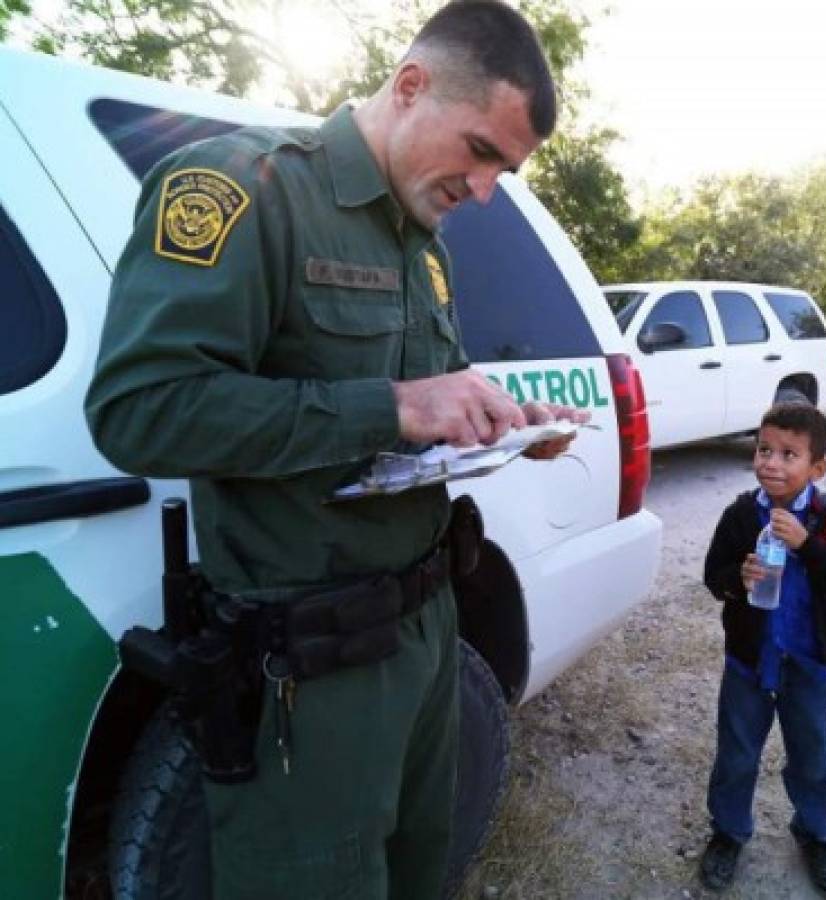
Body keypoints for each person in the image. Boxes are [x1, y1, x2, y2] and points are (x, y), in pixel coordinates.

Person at [85, 2, 583, 897]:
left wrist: (505, 424)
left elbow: (426, 409)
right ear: (409, 85)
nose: (483, 191)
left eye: (503, 170)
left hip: (430, 635)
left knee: (420, 872)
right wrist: (390, 405)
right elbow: (140, 411)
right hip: (307, 674)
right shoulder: (245, 190)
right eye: (479, 152)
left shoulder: (424, 250)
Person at [698, 402, 826, 898]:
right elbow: (714, 576)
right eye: (764, 450)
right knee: (736, 753)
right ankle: (728, 833)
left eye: (789, 454)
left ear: (817, 468)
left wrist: (807, 544)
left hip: (808, 664)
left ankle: (816, 835)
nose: (771, 463)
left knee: (812, 755)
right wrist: (739, 577)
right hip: (749, 662)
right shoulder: (740, 515)